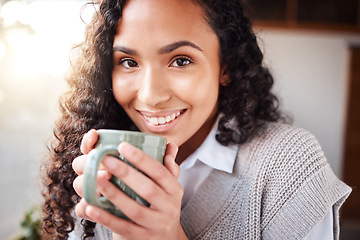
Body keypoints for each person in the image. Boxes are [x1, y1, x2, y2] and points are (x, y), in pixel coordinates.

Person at [42, 0, 351, 239]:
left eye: (180, 60)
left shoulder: (288, 166)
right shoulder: (92, 159)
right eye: (128, 62)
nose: (150, 96)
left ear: (225, 67)